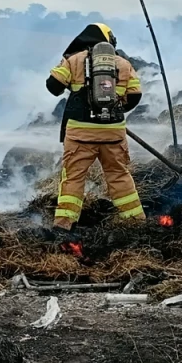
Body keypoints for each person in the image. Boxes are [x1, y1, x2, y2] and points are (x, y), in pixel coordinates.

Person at [46, 23, 145, 234]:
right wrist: (115, 110)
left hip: (79, 135)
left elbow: (53, 87)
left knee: (73, 178)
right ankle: (136, 222)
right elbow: (135, 96)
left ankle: (64, 226)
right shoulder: (123, 64)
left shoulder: (74, 60)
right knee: (119, 175)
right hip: (113, 134)